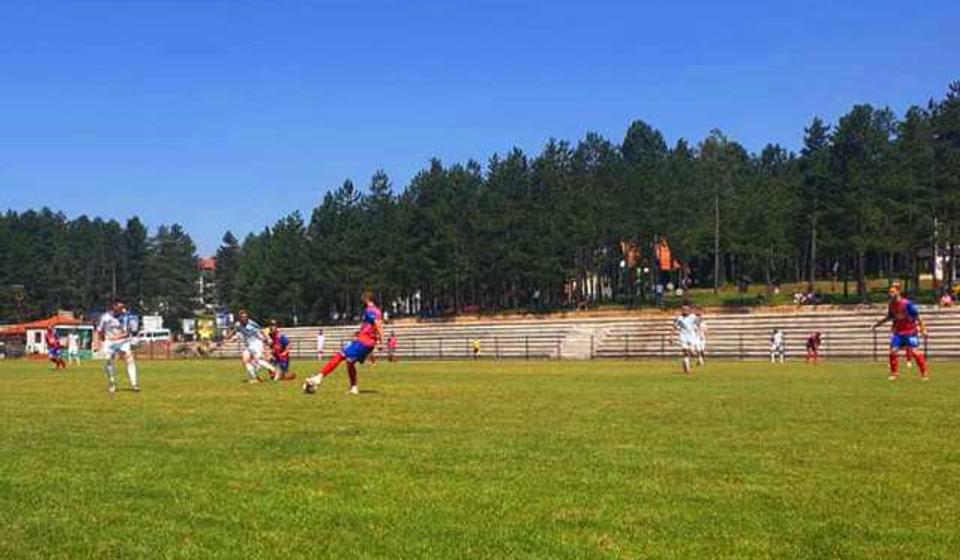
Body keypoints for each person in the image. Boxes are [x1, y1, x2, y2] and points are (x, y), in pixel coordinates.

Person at [303, 292, 383, 396]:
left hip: (363, 341)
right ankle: (353, 387)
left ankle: (318, 378)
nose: (361, 301)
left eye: (363, 299)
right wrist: (362, 333)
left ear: (367, 299)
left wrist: (381, 341)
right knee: (350, 362)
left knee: (340, 355)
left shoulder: (370, 310)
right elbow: (372, 326)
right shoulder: (377, 310)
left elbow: (378, 324)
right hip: (368, 342)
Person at [873, 282, 929, 381]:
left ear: (898, 292)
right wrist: (878, 324)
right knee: (893, 351)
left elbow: (917, 316)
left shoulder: (907, 304)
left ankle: (924, 373)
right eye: (890, 292)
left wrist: (923, 329)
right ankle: (894, 373)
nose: (891, 294)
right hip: (898, 333)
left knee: (915, 352)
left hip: (910, 331)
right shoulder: (891, 304)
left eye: (893, 292)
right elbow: (889, 317)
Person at [97, 301, 140, 393]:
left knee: (130, 359)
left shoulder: (126, 317)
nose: (122, 309)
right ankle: (112, 382)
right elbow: (100, 330)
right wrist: (100, 341)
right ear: (114, 306)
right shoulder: (105, 317)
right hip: (109, 342)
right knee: (108, 360)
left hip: (123, 341)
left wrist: (118, 337)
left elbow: (128, 332)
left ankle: (134, 384)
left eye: (123, 307)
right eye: (120, 307)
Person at [227, 309, 277, 384]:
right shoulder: (238, 324)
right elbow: (235, 331)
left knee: (257, 360)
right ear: (239, 317)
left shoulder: (252, 324)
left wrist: (268, 338)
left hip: (256, 343)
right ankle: (255, 378)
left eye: (245, 316)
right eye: (242, 317)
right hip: (248, 345)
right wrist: (228, 337)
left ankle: (273, 370)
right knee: (245, 360)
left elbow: (262, 331)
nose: (244, 318)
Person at [673, 304, 701, 374]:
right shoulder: (679, 318)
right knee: (686, 351)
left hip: (692, 337)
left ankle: (685, 361)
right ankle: (687, 367)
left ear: (689, 310)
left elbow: (698, 324)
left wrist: (699, 332)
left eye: (686, 309)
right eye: (683, 309)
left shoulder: (693, 317)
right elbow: (674, 327)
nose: (684, 311)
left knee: (692, 353)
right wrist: (670, 337)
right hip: (683, 337)